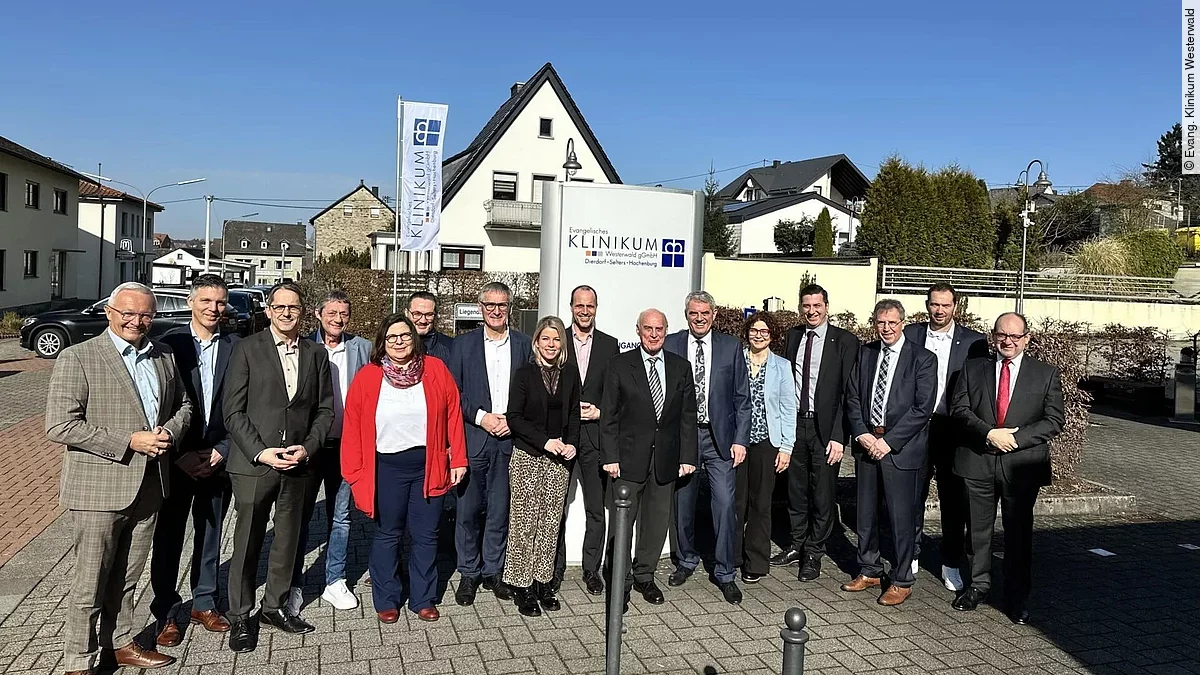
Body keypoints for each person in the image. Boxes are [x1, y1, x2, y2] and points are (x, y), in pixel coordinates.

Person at [46, 281, 192, 674]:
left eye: (145, 314)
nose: (136, 321)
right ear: (109, 313)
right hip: (99, 489)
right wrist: (129, 441)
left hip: (150, 485)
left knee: (128, 576)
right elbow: (59, 425)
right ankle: (79, 659)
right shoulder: (79, 357)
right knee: (90, 581)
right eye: (127, 313)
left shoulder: (163, 354)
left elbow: (183, 404)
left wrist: (170, 432)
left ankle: (120, 642)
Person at [223, 282, 334, 652]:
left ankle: (274, 607)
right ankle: (240, 615)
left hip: (298, 464)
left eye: (294, 307)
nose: (287, 313)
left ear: (303, 312)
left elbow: (324, 409)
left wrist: (309, 447)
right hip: (256, 464)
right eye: (280, 307)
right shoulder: (247, 348)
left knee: (288, 540)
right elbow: (233, 411)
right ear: (268, 310)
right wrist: (261, 452)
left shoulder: (316, 353)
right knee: (248, 541)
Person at [341, 313, 468, 623]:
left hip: (429, 465)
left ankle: (423, 598)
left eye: (405, 336)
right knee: (388, 534)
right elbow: (353, 426)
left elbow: (453, 414)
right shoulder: (368, 376)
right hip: (386, 469)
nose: (399, 342)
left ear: (414, 338)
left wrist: (459, 459)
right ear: (382, 343)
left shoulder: (435, 369)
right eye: (392, 337)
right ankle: (387, 598)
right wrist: (354, 474)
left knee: (426, 535)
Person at [950, 312, 1064, 625]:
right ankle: (978, 586)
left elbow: (1054, 420)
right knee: (978, 531)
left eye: (1015, 336)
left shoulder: (1045, 374)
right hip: (978, 460)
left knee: (1018, 534)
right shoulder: (973, 369)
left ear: (1027, 338)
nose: (1008, 341)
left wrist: (1014, 439)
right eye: (1002, 335)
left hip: (1021, 466)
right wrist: (988, 433)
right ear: (993, 336)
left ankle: (1016, 597)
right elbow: (959, 409)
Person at [151, 275, 238, 647]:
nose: (213, 309)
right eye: (206, 300)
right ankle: (166, 611)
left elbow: (245, 405)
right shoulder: (168, 345)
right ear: (190, 302)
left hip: (217, 456)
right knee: (168, 537)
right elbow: (155, 403)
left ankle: (204, 602)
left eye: (219, 302)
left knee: (211, 533)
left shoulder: (237, 346)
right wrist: (177, 454)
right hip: (176, 458)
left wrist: (225, 449)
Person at [601, 309, 697, 611]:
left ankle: (645, 576)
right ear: (638, 330)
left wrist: (687, 456)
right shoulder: (620, 365)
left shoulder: (681, 367)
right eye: (648, 329)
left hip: (665, 460)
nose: (653, 335)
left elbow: (687, 416)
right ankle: (620, 582)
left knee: (655, 526)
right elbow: (609, 415)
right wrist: (610, 456)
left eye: (659, 329)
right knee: (622, 525)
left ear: (666, 331)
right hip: (628, 460)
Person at [842, 299, 936, 606]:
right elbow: (852, 396)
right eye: (881, 322)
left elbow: (922, 408)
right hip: (868, 444)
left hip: (901, 449)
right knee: (865, 513)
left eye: (892, 322)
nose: (886, 328)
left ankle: (901, 579)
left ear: (902, 323)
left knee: (901, 518)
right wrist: (862, 433)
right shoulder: (866, 353)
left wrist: (889, 441)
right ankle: (869, 569)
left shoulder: (923, 358)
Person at [664, 291, 751, 604]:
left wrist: (740, 439)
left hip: (720, 439)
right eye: (693, 313)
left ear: (714, 315)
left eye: (704, 313)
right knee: (682, 503)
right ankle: (686, 560)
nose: (699, 318)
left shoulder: (730, 347)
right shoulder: (671, 344)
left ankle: (725, 572)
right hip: (684, 437)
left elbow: (742, 398)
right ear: (686, 314)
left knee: (725, 505)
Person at [449, 282, 532, 605]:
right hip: (475, 437)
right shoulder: (462, 345)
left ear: (510, 307)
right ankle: (469, 572)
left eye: (502, 305)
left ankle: (493, 570)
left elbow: (531, 391)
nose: (496, 311)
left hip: (509, 440)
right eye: (490, 305)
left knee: (500, 510)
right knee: (467, 512)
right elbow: (454, 392)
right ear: (480, 307)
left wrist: (513, 419)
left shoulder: (524, 345)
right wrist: (482, 417)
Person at [291, 290, 372, 613]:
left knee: (341, 516)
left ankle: (334, 580)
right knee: (300, 517)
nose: (338, 320)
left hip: (347, 445)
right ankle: (293, 583)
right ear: (318, 314)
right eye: (332, 313)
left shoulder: (362, 348)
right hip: (310, 446)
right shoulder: (304, 347)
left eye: (344, 314)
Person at [772, 284, 859, 583]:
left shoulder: (844, 341)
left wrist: (839, 436)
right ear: (801, 307)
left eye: (817, 305)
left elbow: (848, 393)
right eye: (806, 306)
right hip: (795, 425)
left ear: (826, 306)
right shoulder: (793, 336)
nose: (812, 311)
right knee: (795, 490)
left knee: (822, 494)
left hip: (826, 429)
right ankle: (796, 544)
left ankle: (814, 551)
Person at [902, 283, 987, 591]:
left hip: (952, 429)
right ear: (927, 304)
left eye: (945, 305)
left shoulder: (974, 342)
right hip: (917, 426)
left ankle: (950, 562)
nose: (939, 310)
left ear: (955, 306)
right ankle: (910, 554)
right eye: (934, 304)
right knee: (912, 495)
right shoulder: (910, 334)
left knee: (953, 501)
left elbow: (980, 388)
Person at [504, 316, 582, 616]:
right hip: (529, 455)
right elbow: (514, 417)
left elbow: (574, 413)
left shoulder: (570, 373)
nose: (551, 344)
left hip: (560, 458)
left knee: (550, 521)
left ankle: (542, 582)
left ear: (562, 343)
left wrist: (572, 443)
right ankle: (521, 584)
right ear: (536, 342)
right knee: (525, 521)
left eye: (556, 339)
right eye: (545, 338)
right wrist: (545, 441)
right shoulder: (524, 374)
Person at [553, 284, 619, 596]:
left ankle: (592, 569)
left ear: (596, 308)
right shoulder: (557, 340)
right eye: (579, 305)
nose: (584, 311)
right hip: (562, 438)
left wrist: (600, 412)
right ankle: (554, 569)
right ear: (571, 307)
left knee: (596, 508)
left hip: (594, 439)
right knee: (557, 507)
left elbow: (616, 392)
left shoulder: (610, 345)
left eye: (589, 306)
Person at [733, 311, 796, 584]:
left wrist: (786, 447)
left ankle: (755, 562)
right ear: (747, 333)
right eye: (754, 330)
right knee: (735, 502)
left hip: (766, 442)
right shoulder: (736, 360)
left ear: (772, 336)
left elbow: (788, 407)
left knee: (760, 503)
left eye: (764, 331)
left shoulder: (781, 366)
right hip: (737, 441)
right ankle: (731, 556)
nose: (758, 335)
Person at [408, 291, 454, 361]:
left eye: (429, 314)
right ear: (406, 313)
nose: (423, 321)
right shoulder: (395, 345)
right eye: (417, 314)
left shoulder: (451, 346)